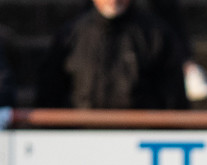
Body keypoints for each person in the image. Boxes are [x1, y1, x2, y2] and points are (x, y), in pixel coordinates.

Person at [36, 0, 188, 110]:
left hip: (139, 137)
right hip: (82, 136)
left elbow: (173, 98)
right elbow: (50, 92)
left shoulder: (156, 36)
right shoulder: (70, 36)